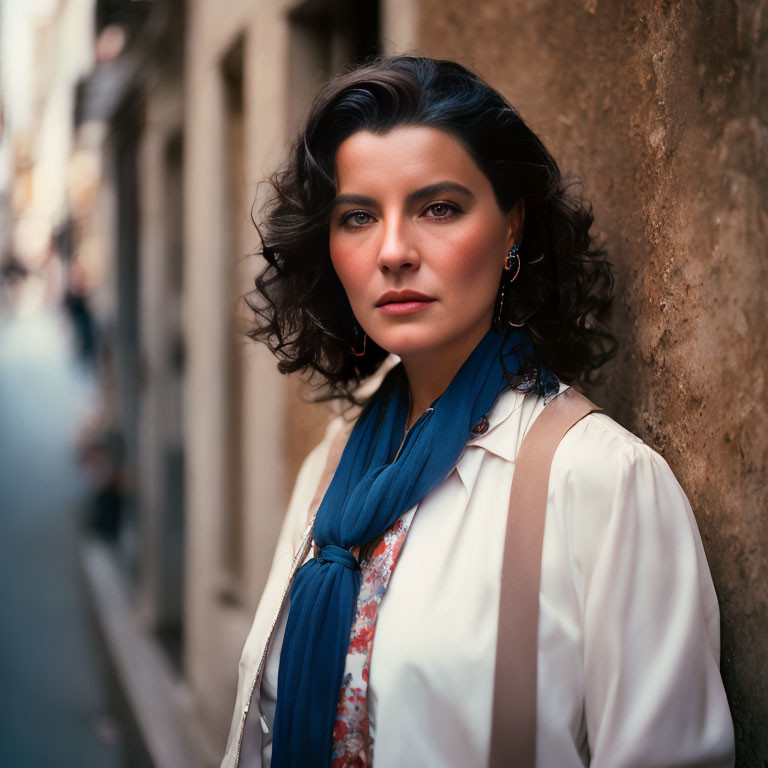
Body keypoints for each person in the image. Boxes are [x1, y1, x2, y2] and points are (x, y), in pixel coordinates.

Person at [221, 55, 734, 768]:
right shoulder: (334, 465)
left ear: (513, 226)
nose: (394, 251)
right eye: (359, 216)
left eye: (439, 208)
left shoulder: (602, 486)